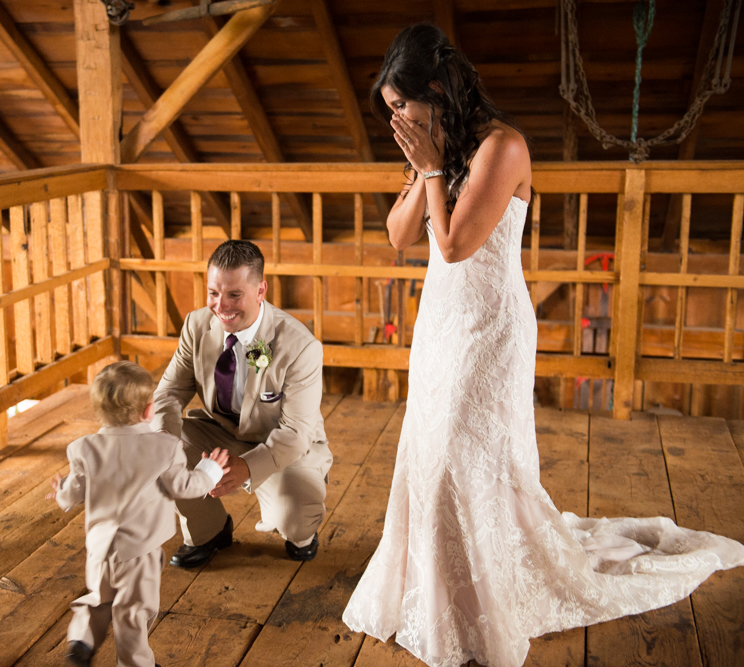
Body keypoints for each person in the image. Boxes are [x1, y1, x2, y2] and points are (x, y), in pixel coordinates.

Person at [342, 23, 744, 667]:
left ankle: (489, 596)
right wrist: (424, 170)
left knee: (461, 455)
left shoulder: (503, 148)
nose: (397, 118)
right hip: (441, 321)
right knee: (426, 452)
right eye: (389, 110)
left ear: (437, 88)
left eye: (401, 105)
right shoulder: (440, 149)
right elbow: (400, 237)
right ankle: (436, 591)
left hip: (489, 326)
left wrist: (432, 168)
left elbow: (453, 245)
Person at [152, 239, 332, 567]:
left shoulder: (300, 346)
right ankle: (209, 532)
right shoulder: (195, 326)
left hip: (282, 445)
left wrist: (247, 466)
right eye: (213, 293)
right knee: (163, 446)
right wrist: (162, 440)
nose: (221, 306)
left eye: (235, 295)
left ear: (261, 290)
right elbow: (168, 393)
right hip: (219, 433)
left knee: (296, 518)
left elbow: (295, 431)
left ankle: (301, 531)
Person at [48, 361, 229, 667]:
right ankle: (135, 663)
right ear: (149, 411)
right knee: (134, 609)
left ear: (99, 410)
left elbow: (73, 492)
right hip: (138, 552)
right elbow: (183, 486)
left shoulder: (84, 448)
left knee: (98, 597)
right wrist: (210, 470)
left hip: (99, 548)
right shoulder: (164, 447)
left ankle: (81, 639)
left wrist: (61, 491)